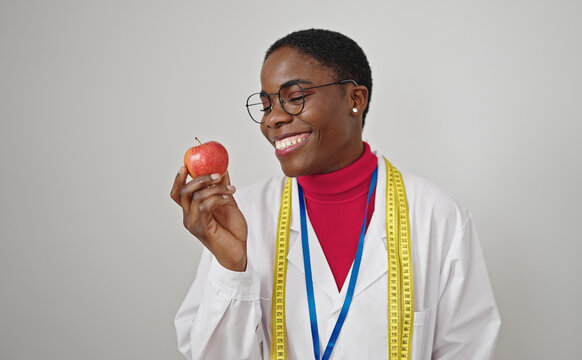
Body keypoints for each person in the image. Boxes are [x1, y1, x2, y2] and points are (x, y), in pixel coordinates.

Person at [170, 29, 501, 360]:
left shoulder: (436, 216)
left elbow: (468, 349)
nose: (273, 118)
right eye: (267, 104)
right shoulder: (242, 216)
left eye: (295, 96)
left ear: (355, 99)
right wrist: (231, 269)